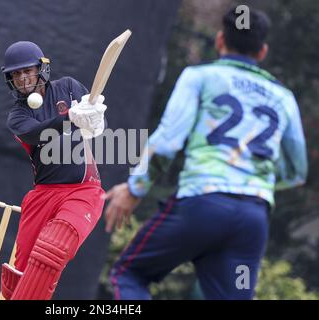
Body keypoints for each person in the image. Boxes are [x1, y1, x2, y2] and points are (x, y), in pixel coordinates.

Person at [103, 7, 308, 300]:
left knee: (130, 274)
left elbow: (168, 142)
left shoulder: (200, 77)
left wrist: (135, 188)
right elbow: (296, 171)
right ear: (262, 52)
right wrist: (254, 183)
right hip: (252, 220)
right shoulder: (284, 98)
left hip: (202, 205)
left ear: (220, 40)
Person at [0, 41, 107, 300]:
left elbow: (97, 126)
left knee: (54, 246)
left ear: (41, 69)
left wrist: (95, 119)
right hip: (43, 195)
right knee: (20, 273)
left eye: (27, 71)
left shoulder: (68, 87)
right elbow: (40, 133)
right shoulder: (17, 116)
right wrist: (71, 117)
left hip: (84, 190)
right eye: (16, 74)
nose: (23, 79)